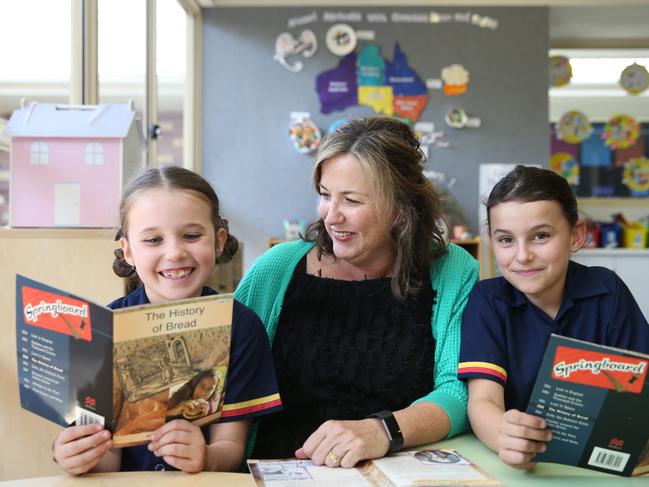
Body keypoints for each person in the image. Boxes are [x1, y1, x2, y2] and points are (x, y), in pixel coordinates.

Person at [235, 117, 479, 468]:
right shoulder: (276, 269)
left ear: (401, 207)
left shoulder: (451, 269)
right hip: (280, 469)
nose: (331, 216)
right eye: (324, 196)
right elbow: (228, 379)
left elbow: (457, 392)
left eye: (351, 200)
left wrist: (383, 430)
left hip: (396, 470)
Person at [52, 166, 282, 475]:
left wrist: (205, 457)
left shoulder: (241, 327)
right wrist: (78, 455)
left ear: (218, 241)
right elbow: (106, 458)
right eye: (153, 240)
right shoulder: (102, 329)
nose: (174, 252)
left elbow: (231, 449)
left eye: (191, 236)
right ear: (128, 250)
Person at [458, 165, 649, 470]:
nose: (522, 255)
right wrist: (502, 437)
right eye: (506, 240)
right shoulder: (488, 301)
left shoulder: (608, 291)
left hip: (600, 461)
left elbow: (638, 387)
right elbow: (484, 401)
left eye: (540, 236)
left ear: (576, 236)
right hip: (525, 463)